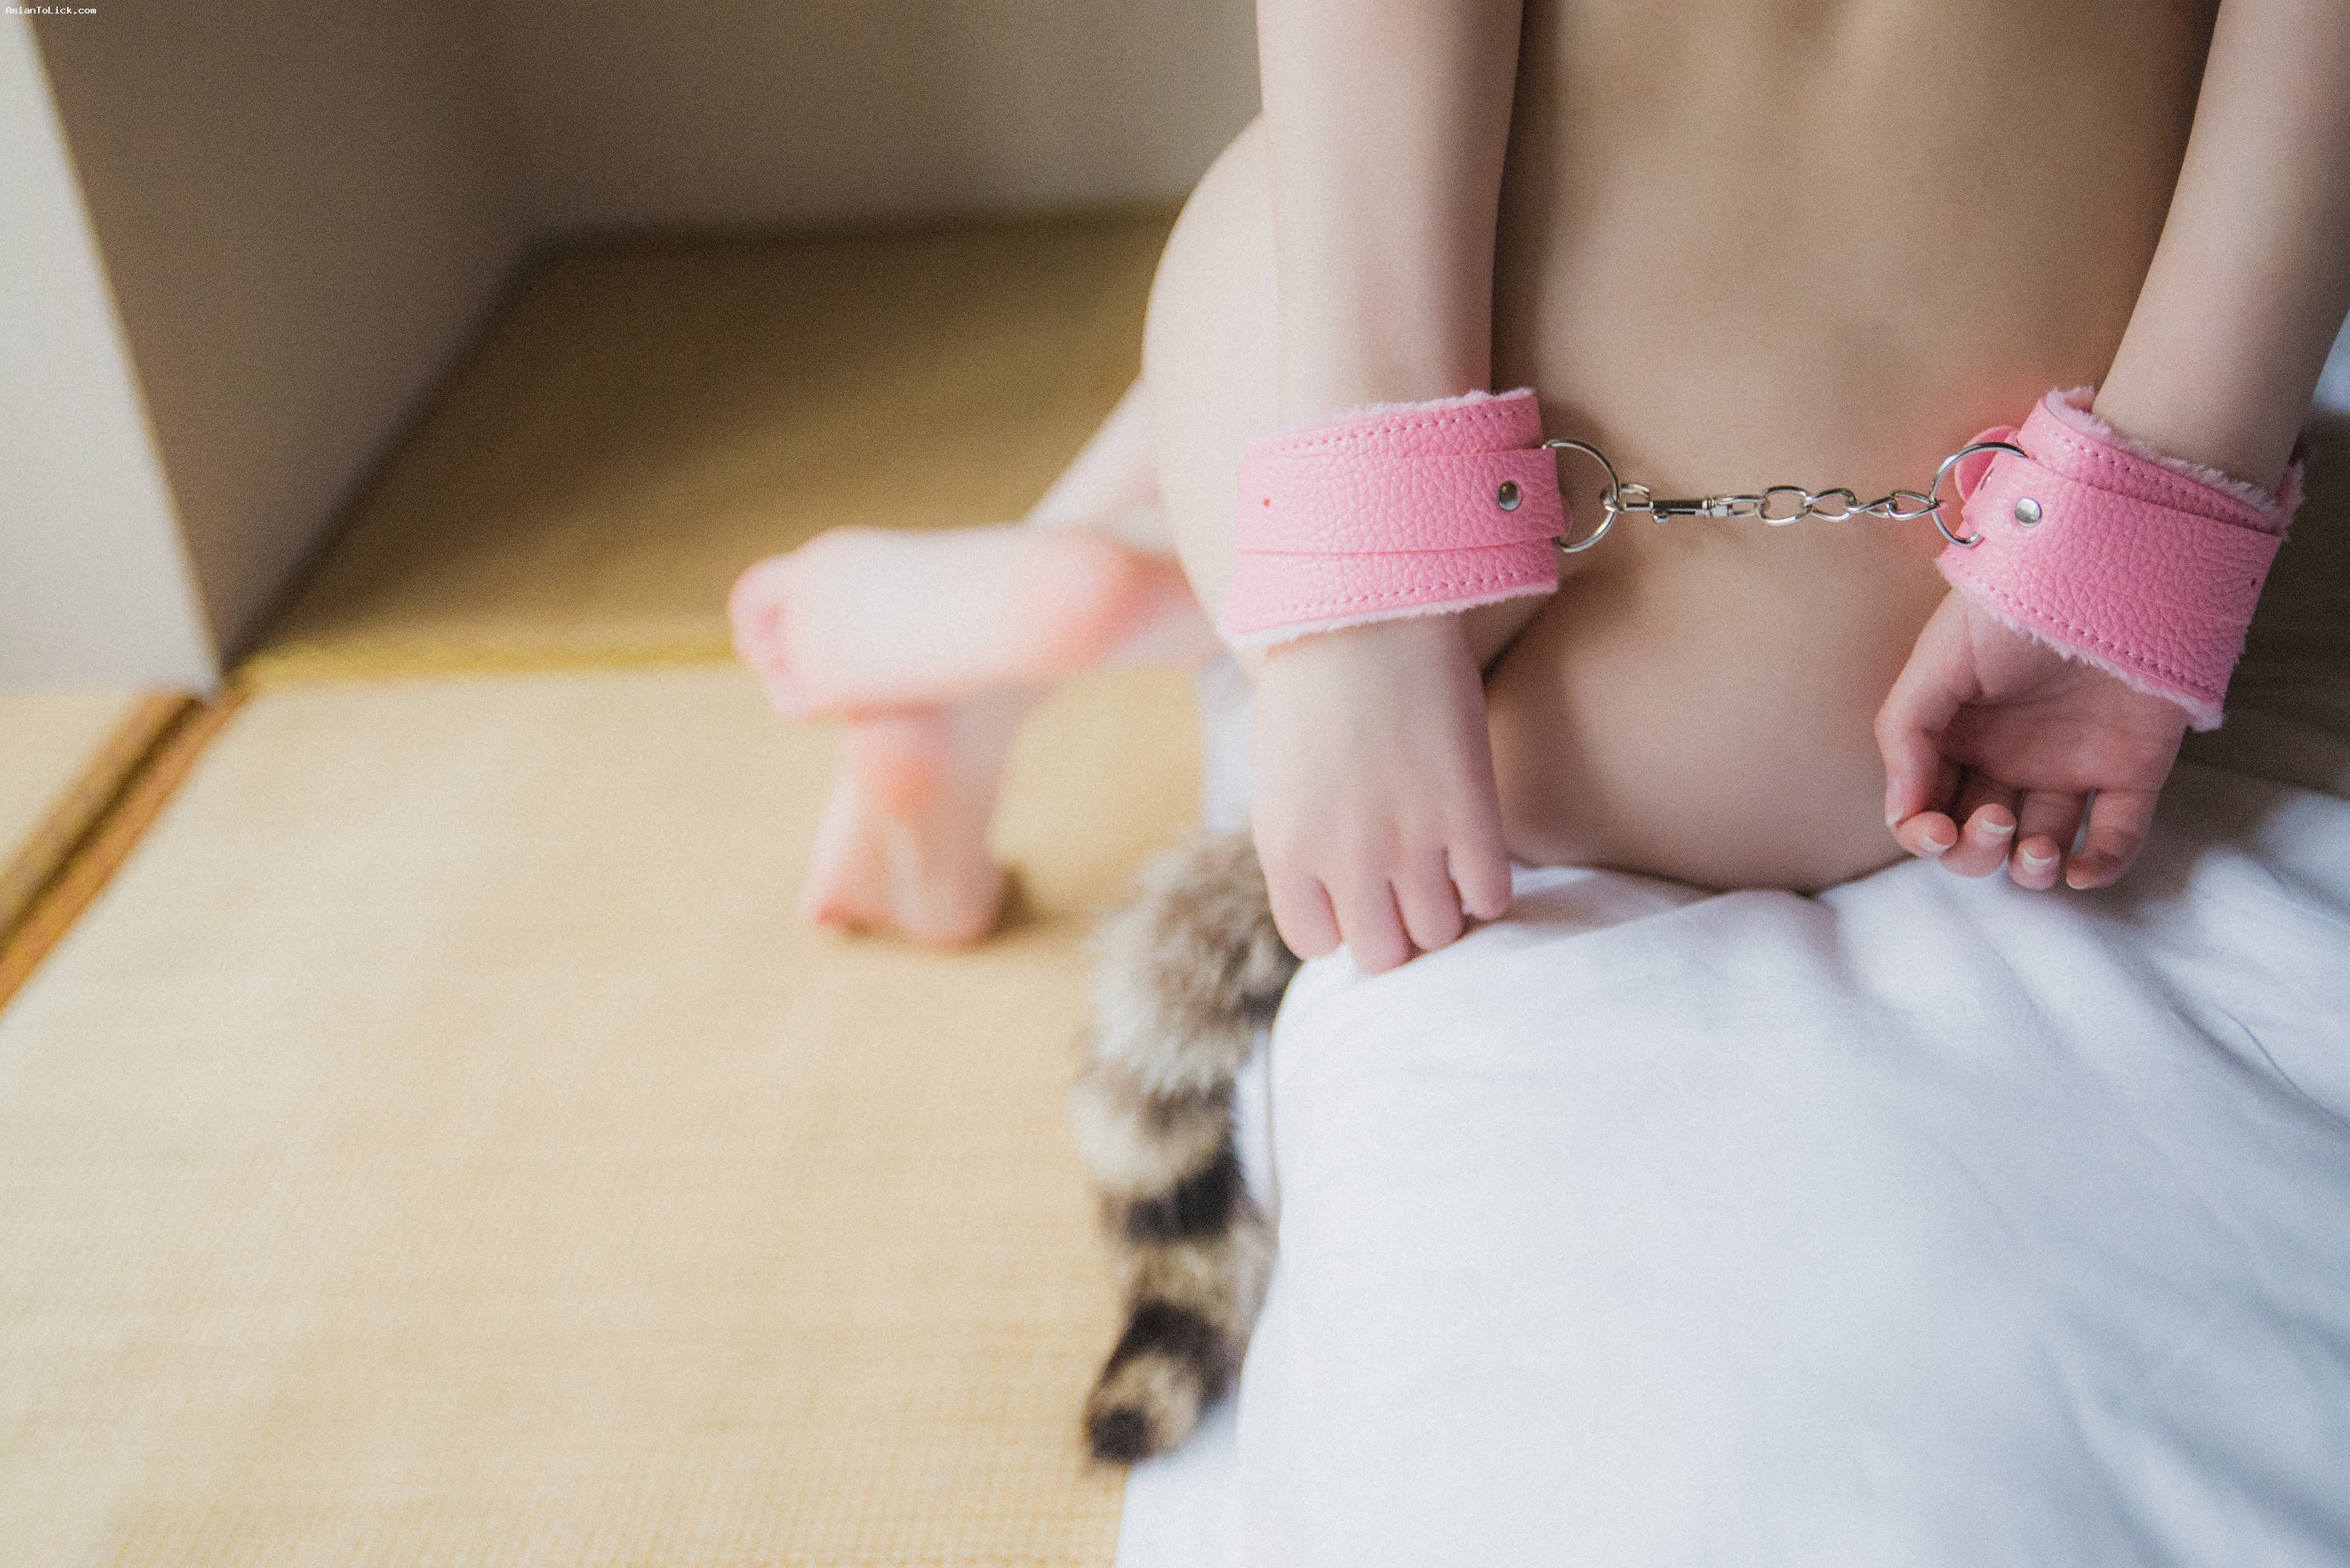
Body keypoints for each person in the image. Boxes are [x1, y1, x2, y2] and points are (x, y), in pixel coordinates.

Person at [731, 0, 2350, 971]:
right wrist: (2130, 552)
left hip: (1456, 511)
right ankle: (1123, 592)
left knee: (1304, 196)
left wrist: (1371, 602)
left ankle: (1134, 577)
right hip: (1910, 653)